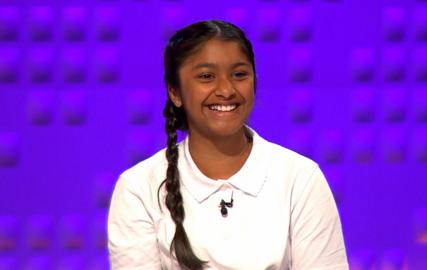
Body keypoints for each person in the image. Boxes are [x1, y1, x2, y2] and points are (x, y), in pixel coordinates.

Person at [107, 19, 348, 270]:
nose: (226, 90)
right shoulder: (138, 188)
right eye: (206, 76)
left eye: (239, 74)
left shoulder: (300, 178)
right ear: (175, 92)